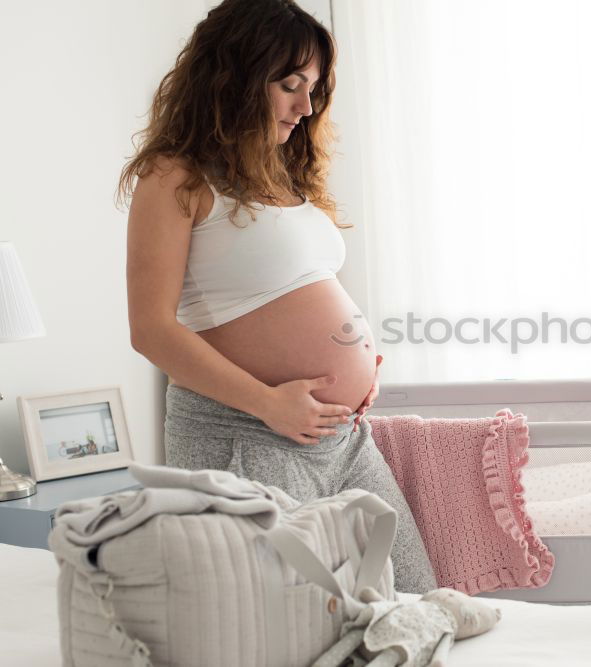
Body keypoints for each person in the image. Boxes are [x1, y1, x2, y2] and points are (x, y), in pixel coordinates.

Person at [117, 0, 436, 593]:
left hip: (338, 437)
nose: (305, 106)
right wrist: (268, 400)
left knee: (412, 596)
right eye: (290, 85)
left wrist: (352, 365)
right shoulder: (175, 176)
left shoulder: (283, 178)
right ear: (233, 78)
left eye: (313, 88)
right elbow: (151, 329)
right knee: (289, 622)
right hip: (246, 433)